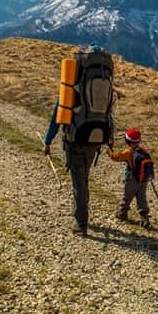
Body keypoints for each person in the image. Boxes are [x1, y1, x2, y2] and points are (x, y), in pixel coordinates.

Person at [43, 45, 114, 236]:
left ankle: (80, 223)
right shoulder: (104, 82)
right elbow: (109, 113)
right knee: (82, 178)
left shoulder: (71, 88)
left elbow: (56, 117)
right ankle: (81, 214)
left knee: (79, 182)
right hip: (96, 138)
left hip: (76, 139)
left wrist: (48, 140)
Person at [107, 128, 154, 229]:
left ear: (127, 141)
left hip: (132, 179)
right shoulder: (143, 151)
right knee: (142, 197)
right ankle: (144, 218)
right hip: (143, 180)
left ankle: (122, 213)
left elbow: (115, 157)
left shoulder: (128, 152)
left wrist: (110, 150)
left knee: (127, 196)